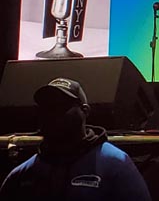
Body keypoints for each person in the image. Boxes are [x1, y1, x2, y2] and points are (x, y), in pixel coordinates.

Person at [0, 77, 151, 200]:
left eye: (62, 106)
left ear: (84, 111)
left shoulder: (115, 164)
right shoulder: (22, 175)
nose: (52, 113)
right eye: (46, 107)